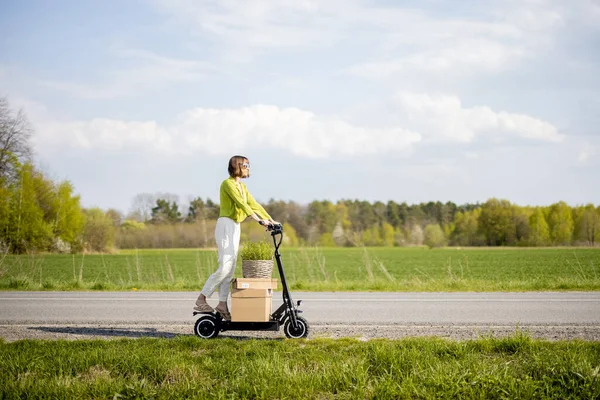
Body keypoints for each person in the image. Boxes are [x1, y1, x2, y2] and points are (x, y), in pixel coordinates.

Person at [194, 155, 279, 320]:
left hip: (235, 226)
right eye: (246, 165)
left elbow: (253, 204)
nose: (248, 168)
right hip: (226, 225)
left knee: (230, 269)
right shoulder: (227, 184)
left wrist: (271, 219)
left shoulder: (242, 186)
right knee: (225, 267)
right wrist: (258, 220)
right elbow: (242, 204)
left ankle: (222, 304)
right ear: (238, 166)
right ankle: (201, 298)